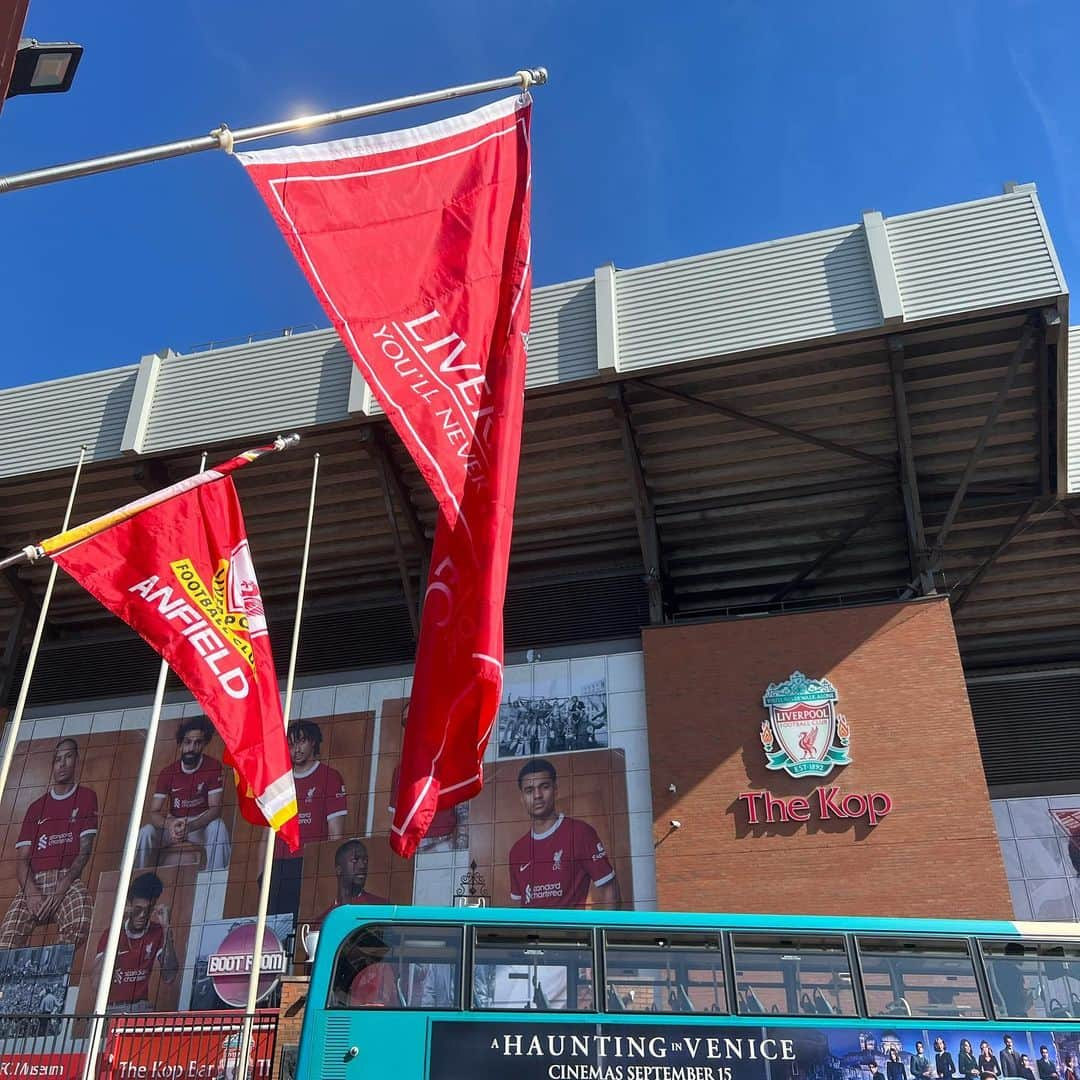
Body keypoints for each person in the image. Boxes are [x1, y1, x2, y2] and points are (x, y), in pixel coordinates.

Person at [0, 738, 97, 948]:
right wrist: (31, 892)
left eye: (68, 757)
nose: (62, 764)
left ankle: (50, 973)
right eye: (57, 760)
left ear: (77, 760)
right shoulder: (36, 807)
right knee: (6, 939)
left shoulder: (87, 797)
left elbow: (85, 851)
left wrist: (64, 884)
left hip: (67, 878)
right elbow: (22, 860)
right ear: (52, 766)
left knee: (82, 918)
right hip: (35, 881)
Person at [508, 758, 620, 909]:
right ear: (522, 799)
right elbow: (517, 905)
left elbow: (609, 888)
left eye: (544, 787)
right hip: (532, 933)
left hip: (570, 932)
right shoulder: (517, 851)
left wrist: (606, 931)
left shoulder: (580, 833)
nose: (537, 795)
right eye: (529, 790)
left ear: (555, 790)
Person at [268, 721, 348, 916]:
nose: (296, 749)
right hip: (278, 864)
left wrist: (326, 871)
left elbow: (335, 833)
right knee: (277, 929)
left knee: (305, 922)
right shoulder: (279, 782)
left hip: (310, 863)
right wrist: (263, 874)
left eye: (301, 741)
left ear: (313, 742)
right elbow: (266, 834)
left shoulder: (330, 776)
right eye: (291, 744)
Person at [137, 718, 230, 870]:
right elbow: (154, 812)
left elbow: (215, 808)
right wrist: (170, 825)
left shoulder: (212, 766)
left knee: (218, 827)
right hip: (173, 825)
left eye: (198, 742)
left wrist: (191, 826)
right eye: (187, 742)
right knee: (145, 832)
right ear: (180, 745)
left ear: (204, 744)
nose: (192, 747)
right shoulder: (168, 772)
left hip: (199, 826)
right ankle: (133, 881)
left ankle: (214, 882)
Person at [92, 872, 178, 1014]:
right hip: (110, 1008)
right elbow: (96, 983)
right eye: (138, 910)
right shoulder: (111, 933)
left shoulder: (158, 931)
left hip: (140, 1008)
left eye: (148, 910)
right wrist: (117, 931)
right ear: (129, 905)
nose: (142, 915)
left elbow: (169, 977)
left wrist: (167, 928)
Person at [316, 840, 389, 926]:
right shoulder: (323, 921)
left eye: (365, 860)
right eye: (354, 860)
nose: (362, 866)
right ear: (339, 869)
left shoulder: (382, 908)